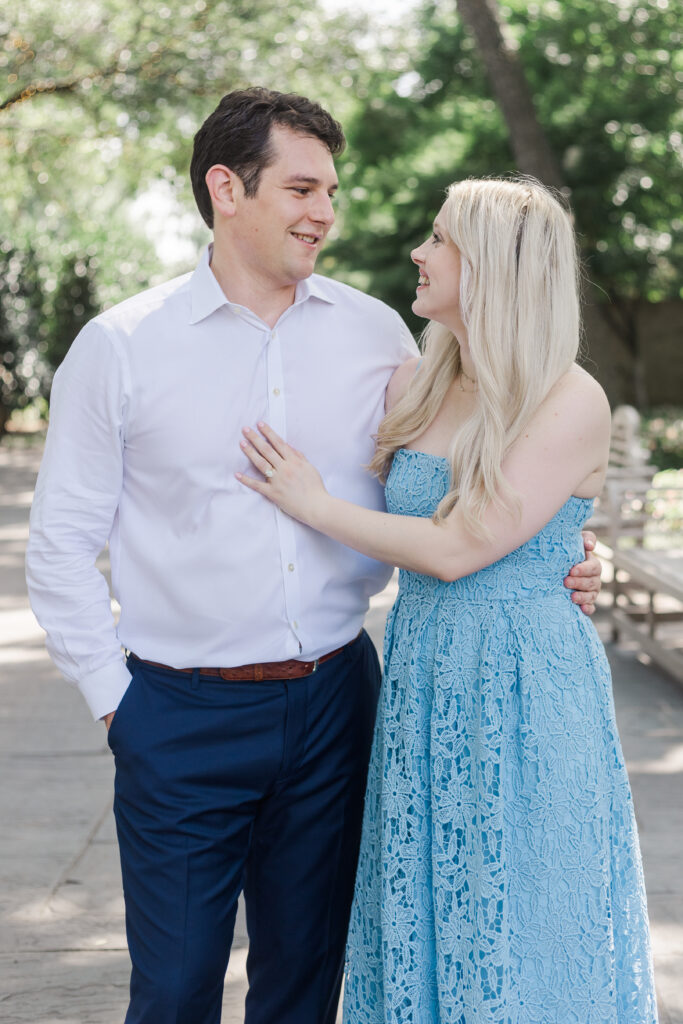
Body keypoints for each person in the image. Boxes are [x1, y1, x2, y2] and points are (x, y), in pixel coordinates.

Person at [25, 90, 601, 1024]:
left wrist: (559, 552)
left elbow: (468, 482)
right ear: (226, 189)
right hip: (179, 713)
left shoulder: (380, 337)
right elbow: (58, 545)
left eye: (331, 190)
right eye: (301, 189)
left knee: (306, 984)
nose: (324, 213)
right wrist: (117, 705)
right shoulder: (121, 347)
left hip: (341, 702)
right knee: (171, 992)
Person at [236, 178, 658, 1022]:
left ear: (494, 265)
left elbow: (459, 548)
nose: (418, 253)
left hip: (525, 686)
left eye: (438, 240)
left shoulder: (567, 397)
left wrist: (314, 503)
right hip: (425, 674)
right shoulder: (416, 382)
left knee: (524, 915)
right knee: (428, 901)